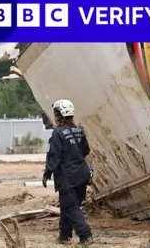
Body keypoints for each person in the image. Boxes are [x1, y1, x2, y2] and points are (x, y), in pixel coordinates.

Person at [42, 99, 93, 245]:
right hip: (82, 174)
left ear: (59, 115)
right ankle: (64, 236)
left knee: (71, 207)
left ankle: (85, 236)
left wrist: (47, 173)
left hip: (67, 177)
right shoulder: (79, 130)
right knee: (68, 206)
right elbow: (85, 150)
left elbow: (54, 155)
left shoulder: (58, 133)